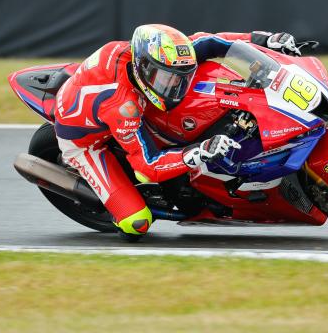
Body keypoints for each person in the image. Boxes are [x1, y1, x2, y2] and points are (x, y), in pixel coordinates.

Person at [54, 24, 300, 240]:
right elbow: (147, 166)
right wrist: (198, 151)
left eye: (180, 78)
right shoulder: (124, 107)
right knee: (136, 223)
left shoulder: (158, 53)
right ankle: (110, 198)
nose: (175, 86)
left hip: (95, 92)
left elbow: (212, 41)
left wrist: (263, 39)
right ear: (143, 67)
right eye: (165, 79)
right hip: (85, 141)